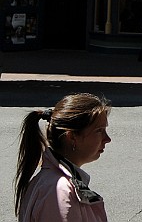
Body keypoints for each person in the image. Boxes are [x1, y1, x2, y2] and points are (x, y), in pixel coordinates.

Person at [14, 92, 111, 222]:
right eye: (99, 131)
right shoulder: (59, 191)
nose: (107, 139)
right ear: (71, 137)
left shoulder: (55, 184)